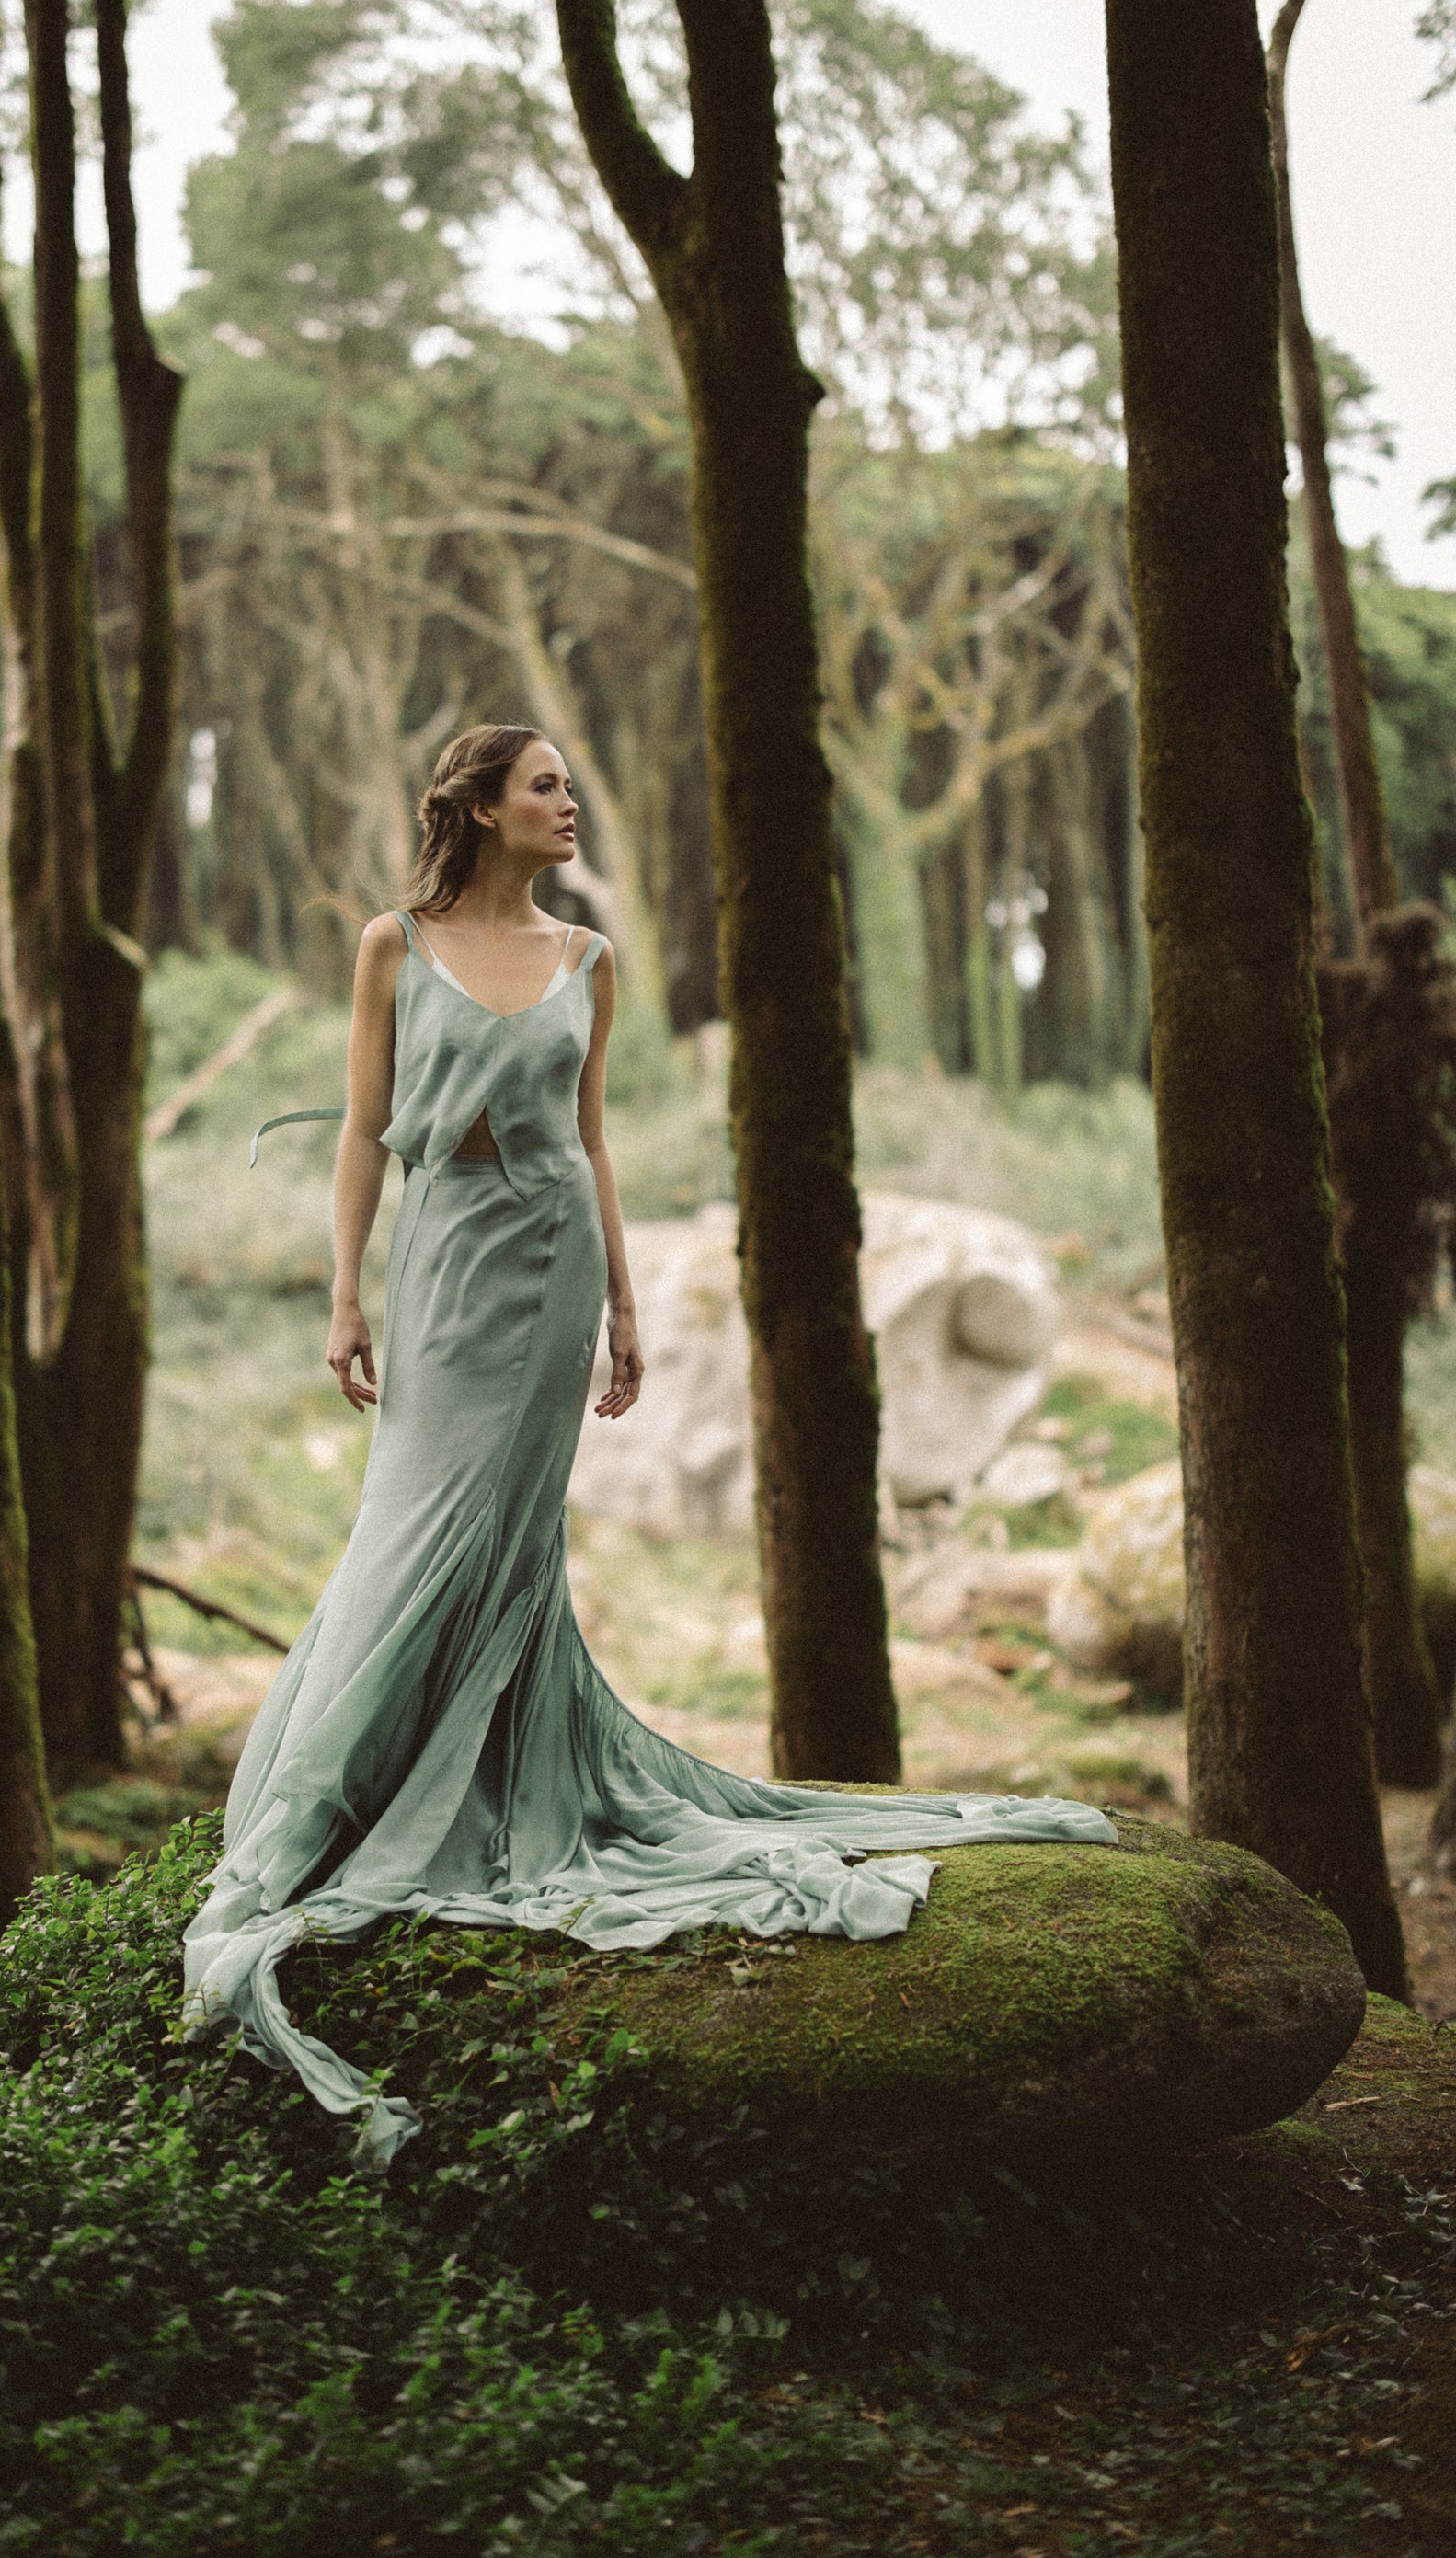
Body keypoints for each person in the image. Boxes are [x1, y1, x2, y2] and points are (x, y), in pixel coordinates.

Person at [182, 725, 1116, 2160]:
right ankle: (347, 1797)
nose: (569, 805)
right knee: (410, 1525)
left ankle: (481, 1774)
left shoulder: (589, 960)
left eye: (569, 784)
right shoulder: (393, 945)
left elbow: (593, 1139)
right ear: (479, 807)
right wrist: (343, 1294)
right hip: (443, 1264)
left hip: (554, 1264)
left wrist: (625, 1307)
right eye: (546, 786)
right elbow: (363, 1133)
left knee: (509, 1542)